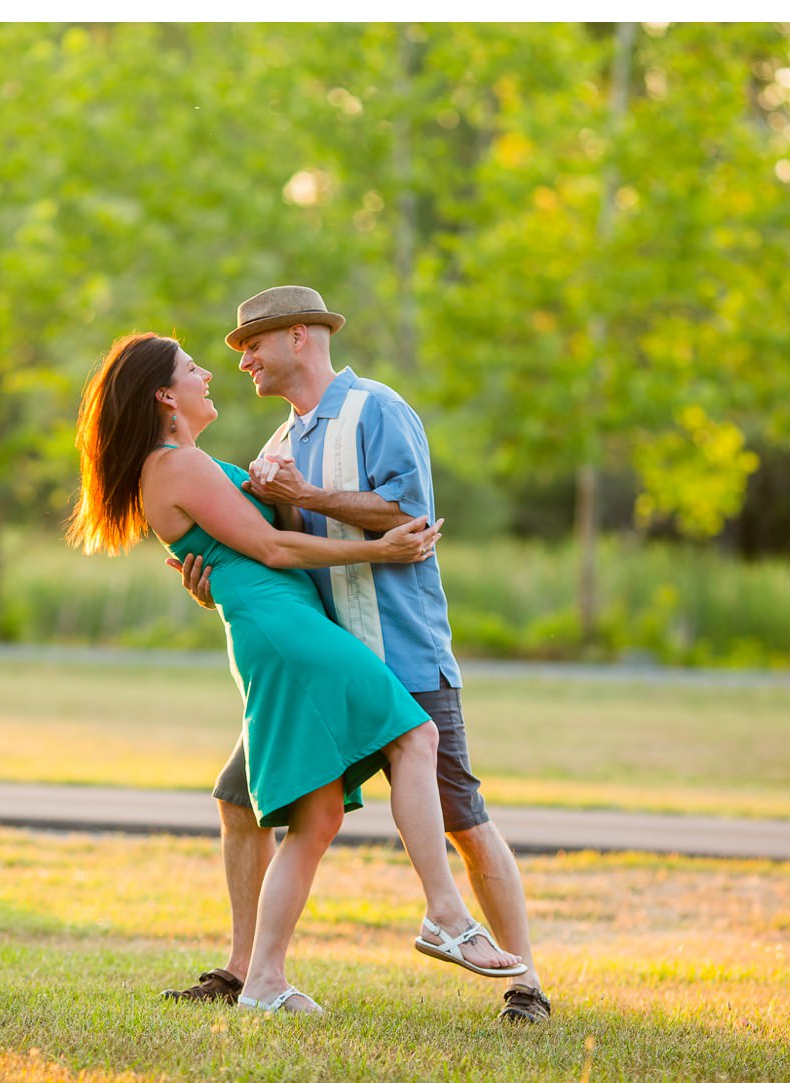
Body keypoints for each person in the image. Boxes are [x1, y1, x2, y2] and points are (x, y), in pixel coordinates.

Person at [67, 331, 524, 1015]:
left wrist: (252, 532)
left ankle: (262, 982)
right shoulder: (178, 467)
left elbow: (247, 543)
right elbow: (275, 549)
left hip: (286, 626)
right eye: (194, 370)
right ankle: (445, 916)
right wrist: (385, 551)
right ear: (165, 394)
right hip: (289, 633)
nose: (210, 375)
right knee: (416, 736)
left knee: (318, 815)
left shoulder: (188, 463)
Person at [163, 286, 553, 1024]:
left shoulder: (377, 409)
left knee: (463, 818)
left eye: (254, 344)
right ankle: (247, 972)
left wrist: (309, 494)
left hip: (401, 652)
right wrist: (214, 586)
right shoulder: (274, 448)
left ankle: (525, 985)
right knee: (238, 797)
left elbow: (409, 515)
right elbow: (273, 554)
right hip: (321, 668)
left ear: (302, 338)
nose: (242, 359)